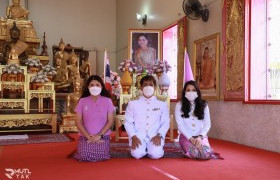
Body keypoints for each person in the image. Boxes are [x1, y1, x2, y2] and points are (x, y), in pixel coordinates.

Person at [124, 75, 170, 159]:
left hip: (155, 135)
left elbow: (165, 122)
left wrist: (159, 135)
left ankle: (153, 149)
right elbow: (128, 122)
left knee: (155, 155)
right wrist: (133, 136)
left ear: (155, 87)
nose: (148, 86)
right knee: (137, 154)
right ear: (141, 87)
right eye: (145, 84)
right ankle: (142, 149)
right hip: (138, 136)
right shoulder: (133, 104)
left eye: (151, 84)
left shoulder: (162, 104)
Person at [175, 80, 221, 160]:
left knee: (205, 154)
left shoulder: (204, 105)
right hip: (186, 137)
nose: (191, 92)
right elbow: (180, 126)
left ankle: (196, 148)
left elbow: (207, 124)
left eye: (193, 90)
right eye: (188, 90)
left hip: (201, 137)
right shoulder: (179, 105)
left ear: (197, 92)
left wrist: (200, 137)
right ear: (184, 92)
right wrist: (190, 138)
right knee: (195, 153)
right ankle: (186, 150)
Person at [73, 75, 115, 162]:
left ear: (101, 87)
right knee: (84, 155)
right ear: (88, 87)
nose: (94, 87)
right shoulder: (82, 101)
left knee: (101, 155)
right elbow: (78, 122)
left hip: (103, 136)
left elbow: (110, 121)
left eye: (97, 85)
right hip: (86, 136)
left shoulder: (107, 101)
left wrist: (99, 136)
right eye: (92, 85)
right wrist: (89, 137)